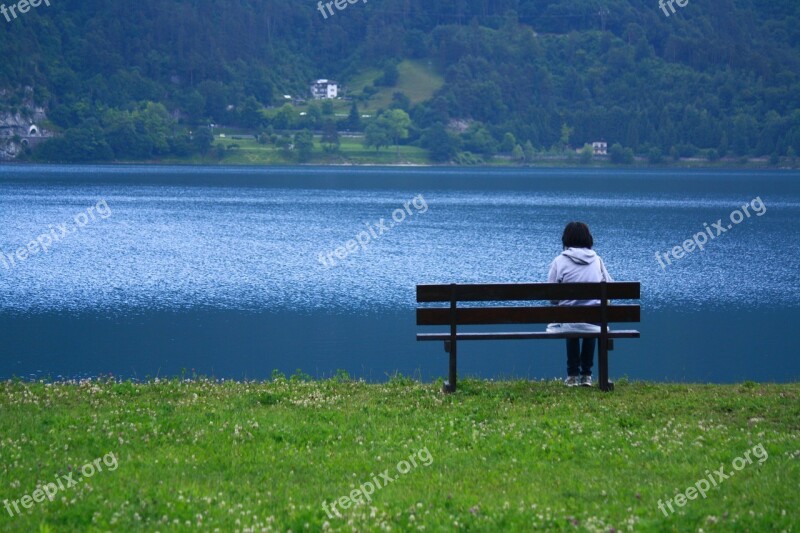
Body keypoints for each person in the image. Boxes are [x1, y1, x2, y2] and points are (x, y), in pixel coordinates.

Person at [547, 222, 613, 387]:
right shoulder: (597, 260)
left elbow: (552, 297)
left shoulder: (559, 261)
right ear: (588, 239)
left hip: (569, 322)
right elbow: (611, 287)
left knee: (571, 322)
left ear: (566, 239)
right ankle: (586, 375)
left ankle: (572, 376)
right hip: (595, 322)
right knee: (593, 324)